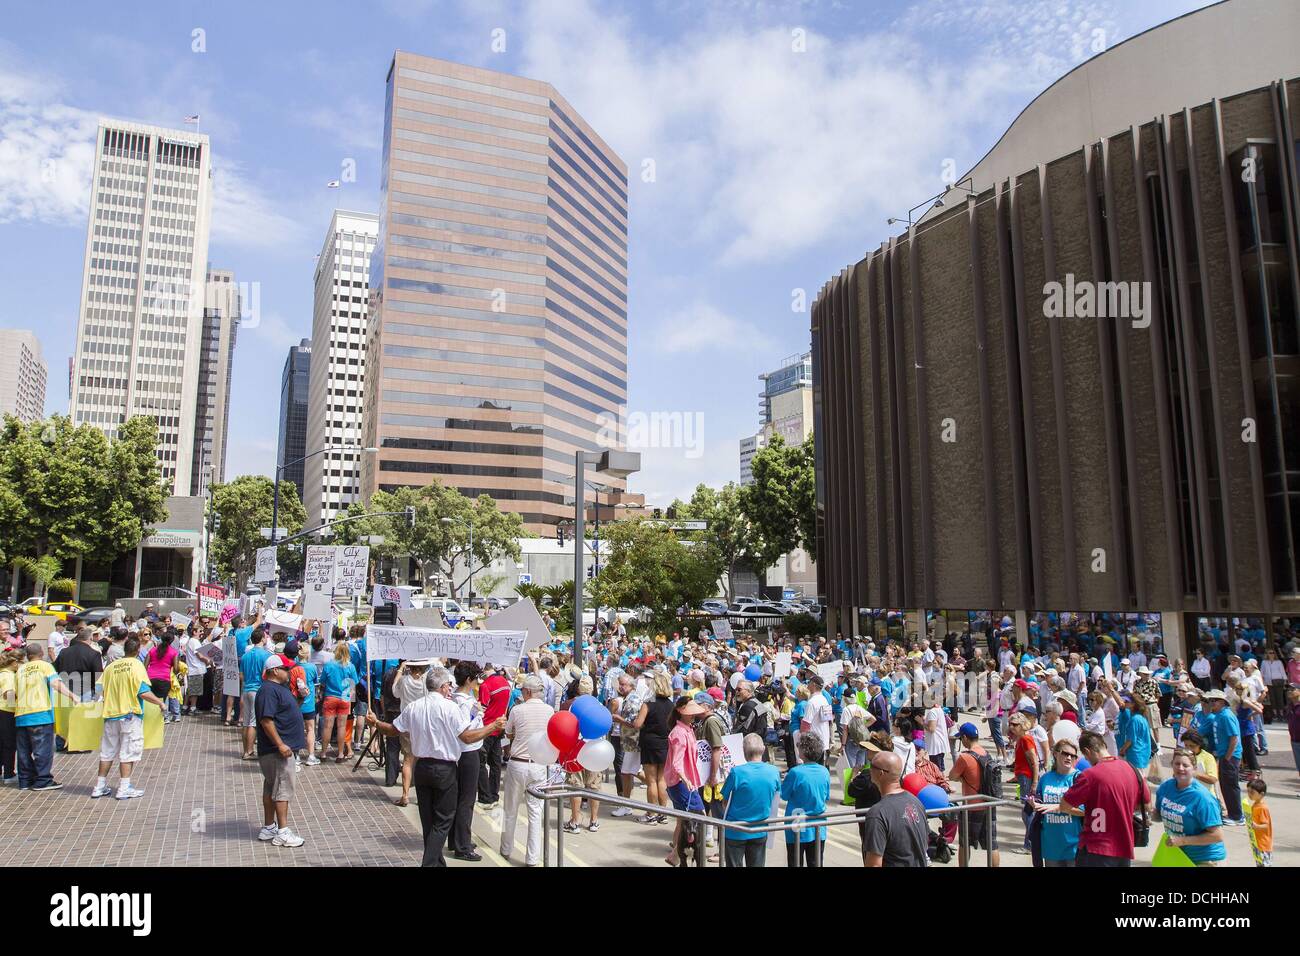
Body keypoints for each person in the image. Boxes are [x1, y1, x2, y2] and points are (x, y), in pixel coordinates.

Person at [365, 666, 505, 867]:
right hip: (444, 768)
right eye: (448, 685)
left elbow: (394, 730)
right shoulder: (450, 708)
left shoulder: (415, 707)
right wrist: (492, 727)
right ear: (441, 686)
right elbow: (466, 737)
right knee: (443, 820)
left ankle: (436, 862)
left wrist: (376, 723)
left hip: (422, 768)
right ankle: (430, 862)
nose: (450, 688)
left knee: (428, 820)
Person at [1057, 731, 1151, 867]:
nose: (1088, 762)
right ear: (1104, 746)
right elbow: (1147, 805)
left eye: (1086, 758)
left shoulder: (1090, 775)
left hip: (1095, 848)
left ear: (1087, 752)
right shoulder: (1132, 769)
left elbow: (1064, 805)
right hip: (1124, 847)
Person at [92, 635, 166, 800]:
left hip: (110, 714)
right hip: (130, 714)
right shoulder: (136, 665)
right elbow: (143, 691)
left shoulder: (111, 667)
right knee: (128, 752)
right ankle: (124, 787)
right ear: (138, 650)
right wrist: (160, 703)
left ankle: (99, 786)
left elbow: (99, 688)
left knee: (107, 752)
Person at [499, 674, 553, 866]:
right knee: (535, 813)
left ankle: (505, 849)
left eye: (522, 690)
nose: (521, 692)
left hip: (518, 763)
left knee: (510, 809)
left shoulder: (517, 709)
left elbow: (508, 732)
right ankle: (532, 858)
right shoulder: (549, 710)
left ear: (528, 692)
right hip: (538, 765)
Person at [253, 654, 307, 848]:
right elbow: (266, 720)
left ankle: (269, 827)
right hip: (277, 751)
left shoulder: (277, 689)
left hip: (277, 749)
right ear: (275, 670)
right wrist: (280, 744)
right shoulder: (268, 690)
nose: (289, 671)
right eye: (286, 669)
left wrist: (300, 698)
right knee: (283, 789)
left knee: (271, 788)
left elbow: (286, 710)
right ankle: (283, 831)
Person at [14, 644, 77, 791]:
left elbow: (16, 693)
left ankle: (25, 780)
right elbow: (55, 684)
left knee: (23, 751)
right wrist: (72, 695)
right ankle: (43, 780)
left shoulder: (20, 670)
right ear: (41, 653)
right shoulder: (45, 666)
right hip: (40, 713)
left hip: (21, 714)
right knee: (42, 750)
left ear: (27, 656)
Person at [618, 669, 673, 825]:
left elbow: (637, 724)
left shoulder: (648, 704)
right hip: (664, 743)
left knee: (651, 781)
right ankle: (663, 812)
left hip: (650, 743)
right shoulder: (671, 705)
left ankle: (651, 813)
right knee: (661, 779)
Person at [1154, 748, 1224, 866]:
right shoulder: (1165, 788)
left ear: (1194, 768)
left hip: (1204, 858)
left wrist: (1182, 841)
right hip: (1178, 854)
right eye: (1177, 764)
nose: (1180, 768)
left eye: (1185, 765)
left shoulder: (1202, 798)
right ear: (1172, 765)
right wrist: (1150, 813)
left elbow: (1217, 835)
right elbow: (1159, 815)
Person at [861, 750, 930, 867]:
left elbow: (874, 865)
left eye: (871, 765)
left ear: (881, 773)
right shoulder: (916, 803)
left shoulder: (877, 813)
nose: (869, 768)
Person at [721, 733, 781, 867]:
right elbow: (776, 797)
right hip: (760, 828)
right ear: (763, 749)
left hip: (735, 829)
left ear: (744, 751)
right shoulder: (774, 771)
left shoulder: (736, 772)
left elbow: (724, 800)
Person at [949, 722, 999, 867]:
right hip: (989, 804)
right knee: (992, 843)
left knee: (965, 843)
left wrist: (962, 777)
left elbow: (952, 776)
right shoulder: (987, 754)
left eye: (960, 739)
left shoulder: (965, 757)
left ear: (965, 738)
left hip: (971, 806)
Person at [664, 695, 706, 866]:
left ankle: (674, 854)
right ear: (680, 712)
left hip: (685, 781)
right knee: (700, 816)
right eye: (689, 712)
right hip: (681, 783)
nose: (693, 715)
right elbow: (676, 762)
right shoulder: (679, 733)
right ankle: (682, 856)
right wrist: (685, 779)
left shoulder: (687, 729)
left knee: (682, 821)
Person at [450, 660, 485, 861]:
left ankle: (457, 839)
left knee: (460, 797)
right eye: (475, 679)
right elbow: (468, 731)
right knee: (466, 800)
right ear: (469, 680)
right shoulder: (463, 701)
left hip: (460, 751)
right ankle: (462, 845)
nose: (477, 683)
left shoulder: (456, 698)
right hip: (468, 750)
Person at [780, 732, 831, 867]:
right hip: (818, 824)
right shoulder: (824, 771)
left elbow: (784, 795)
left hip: (797, 823)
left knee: (795, 862)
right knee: (816, 862)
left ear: (803, 750)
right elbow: (826, 796)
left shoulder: (796, 772)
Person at [1029, 738, 1083, 866]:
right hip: (1050, 843)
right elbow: (1040, 802)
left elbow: (1084, 811)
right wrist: (1035, 804)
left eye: (1073, 756)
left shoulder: (1079, 778)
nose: (1069, 757)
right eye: (1065, 753)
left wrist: (1058, 807)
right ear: (1055, 753)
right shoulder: (1046, 778)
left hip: (1073, 844)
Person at [1201, 689, 1245, 825]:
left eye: (1213, 700)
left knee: (1230, 785)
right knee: (1225, 785)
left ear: (1221, 702)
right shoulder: (1219, 715)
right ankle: (1232, 813)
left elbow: (1234, 738)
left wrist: (1227, 757)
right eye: (1209, 701)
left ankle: (1237, 816)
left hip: (1230, 756)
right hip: (1223, 755)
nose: (1211, 703)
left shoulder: (1226, 715)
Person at [476, 663, 510, 806]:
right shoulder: (506, 683)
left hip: (487, 728)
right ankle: (494, 794)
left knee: (481, 763)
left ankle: (485, 796)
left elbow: (481, 709)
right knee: (495, 763)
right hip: (499, 727)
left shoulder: (485, 686)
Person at [319, 641, 358, 762]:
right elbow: (353, 684)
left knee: (327, 727)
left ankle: (324, 753)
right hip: (344, 697)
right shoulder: (350, 666)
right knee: (341, 726)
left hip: (330, 696)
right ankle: (340, 754)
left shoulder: (329, 665)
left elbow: (322, 682)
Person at [238, 627, 271, 759]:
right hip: (257, 689)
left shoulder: (246, 655)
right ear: (263, 639)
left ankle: (246, 750)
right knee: (252, 722)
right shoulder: (266, 655)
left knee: (246, 722)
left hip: (246, 689)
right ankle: (249, 751)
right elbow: (266, 675)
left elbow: (241, 675)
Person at [0, 650, 20, 784]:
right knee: (9, 743)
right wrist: (17, 703)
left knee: (1, 743)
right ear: (13, 663)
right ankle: (8, 773)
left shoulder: (2, 674)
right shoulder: (8, 676)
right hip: (6, 711)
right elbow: (9, 693)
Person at [1246, 779, 1271, 867]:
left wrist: (1256, 826)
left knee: (1264, 864)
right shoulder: (1255, 805)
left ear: (1261, 794)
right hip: (1257, 842)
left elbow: (1266, 826)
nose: (1249, 794)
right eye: (1248, 791)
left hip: (1263, 844)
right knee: (1259, 864)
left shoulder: (1262, 808)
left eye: (1252, 792)